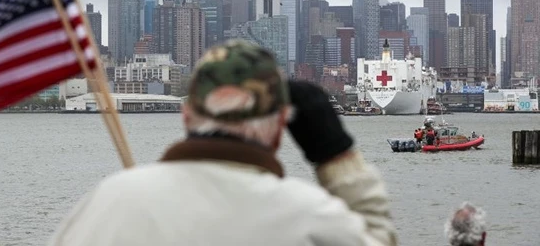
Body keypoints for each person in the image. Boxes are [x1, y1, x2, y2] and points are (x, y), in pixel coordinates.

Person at [48, 40, 398, 246]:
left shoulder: (107, 201)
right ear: (279, 127)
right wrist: (336, 155)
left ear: (186, 115)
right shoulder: (309, 217)